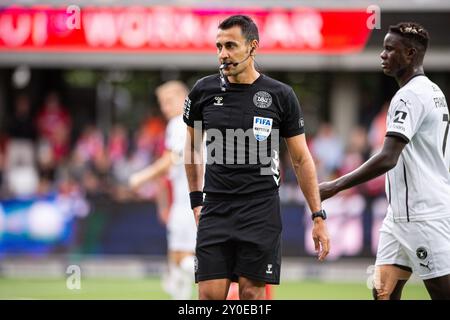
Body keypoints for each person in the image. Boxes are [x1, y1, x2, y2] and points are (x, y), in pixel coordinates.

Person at [183, 15, 330, 300]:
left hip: (260, 211)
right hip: (215, 209)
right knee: (209, 297)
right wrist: (195, 202)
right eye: (218, 46)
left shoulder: (280, 95)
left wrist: (317, 216)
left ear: (253, 47)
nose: (222, 54)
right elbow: (191, 150)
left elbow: (301, 159)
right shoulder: (203, 91)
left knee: (251, 295)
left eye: (230, 46)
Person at [319, 22, 450, 300]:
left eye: (390, 49)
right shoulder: (433, 91)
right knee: (382, 293)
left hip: (423, 214)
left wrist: (334, 186)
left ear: (411, 54)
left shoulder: (410, 96)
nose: (382, 54)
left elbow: (388, 157)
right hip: (398, 218)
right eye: (383, 48)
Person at [129, 81, 197, 300]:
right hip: (187, 198)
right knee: (177, 260)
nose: (165, 108)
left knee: (183, 260)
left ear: (182, 98)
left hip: (190, 200)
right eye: (162, 103)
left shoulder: (180, 122)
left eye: (168, 101)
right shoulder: (197, 121)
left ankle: (222, 273)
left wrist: (141, 177)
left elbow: (171, 160)